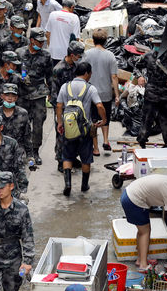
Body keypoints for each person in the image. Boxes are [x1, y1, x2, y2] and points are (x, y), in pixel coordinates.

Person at [120, 175, 167, 271]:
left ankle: (140, 259)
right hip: (134, 200)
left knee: (142, 231)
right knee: (145, 232)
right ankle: (143, 264)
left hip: (128, 194)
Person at [56, 62, 107, 195]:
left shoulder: (65, 87)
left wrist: (60, 123)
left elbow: (59, 106)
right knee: (86, 158)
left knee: (67, 156)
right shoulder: (90, 88)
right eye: (90, 74)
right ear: (86, 73)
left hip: (69, 127)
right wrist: (104, 120)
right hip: (85, 130)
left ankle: (68, 184)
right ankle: (84, 185)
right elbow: (100, 106)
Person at [17, 27, 53, 165]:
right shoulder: (19, 53)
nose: (41, 44)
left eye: (43, 42)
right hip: (22, 94)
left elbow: (50, 76)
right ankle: (21, 150)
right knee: (21, 124)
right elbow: (10, 71)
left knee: (38, 123)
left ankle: (35, 150)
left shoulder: (46, 55)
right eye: (39, 42)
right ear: (31, 41)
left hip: (38, 93)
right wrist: (20, 77)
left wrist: (51, 94)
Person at [136, 50, 167, 148]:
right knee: (147, 119)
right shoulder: (148, 56)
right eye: (156, 44)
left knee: (166, 120)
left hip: (166, 93)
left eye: (160, 44)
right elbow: (136, 65)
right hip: (151, 92)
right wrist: (140, 76)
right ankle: (142, 140)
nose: (158, 47)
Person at [82, 29, 120, 156]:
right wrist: (117, 95)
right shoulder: (110, 55)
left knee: (93, 120)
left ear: (93, 40)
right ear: (106, 41)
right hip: (105, 93)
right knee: (105, 118)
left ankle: (96, 148)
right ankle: (106, 140)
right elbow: (114, 77)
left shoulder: (86, 54)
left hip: (90, 93)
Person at [51, 41, 86, 171]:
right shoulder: (58, 69)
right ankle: (61, 160)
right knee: (61, 135)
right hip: (63, 107)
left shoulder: (76, 67)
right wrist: (59, 112)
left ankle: (72, 157)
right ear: (72, 55)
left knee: (75, 134)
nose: (80, 58)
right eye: (78, 56)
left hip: (76, 107)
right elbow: (54, 93)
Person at [0, 83, 33, 160]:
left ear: (16, 98)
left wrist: (30, 156)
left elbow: (27, 136)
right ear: (2, 96)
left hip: (17, 151)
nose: (10, 98)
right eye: (7, 95)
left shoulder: (23, 114)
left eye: (13, 96)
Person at [0, 113, 29, 199]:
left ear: (1, 128)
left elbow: (19, 167)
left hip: (8, 187)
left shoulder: (12, 144)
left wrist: (22, 190)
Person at [45, 0, 81, 66]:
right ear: (72, 7)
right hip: (66, 54)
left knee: (55, 73)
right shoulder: (74, 17)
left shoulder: (52, 14)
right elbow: (76, 39)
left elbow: (48, 33)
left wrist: (51, 47)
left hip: (53, 52)